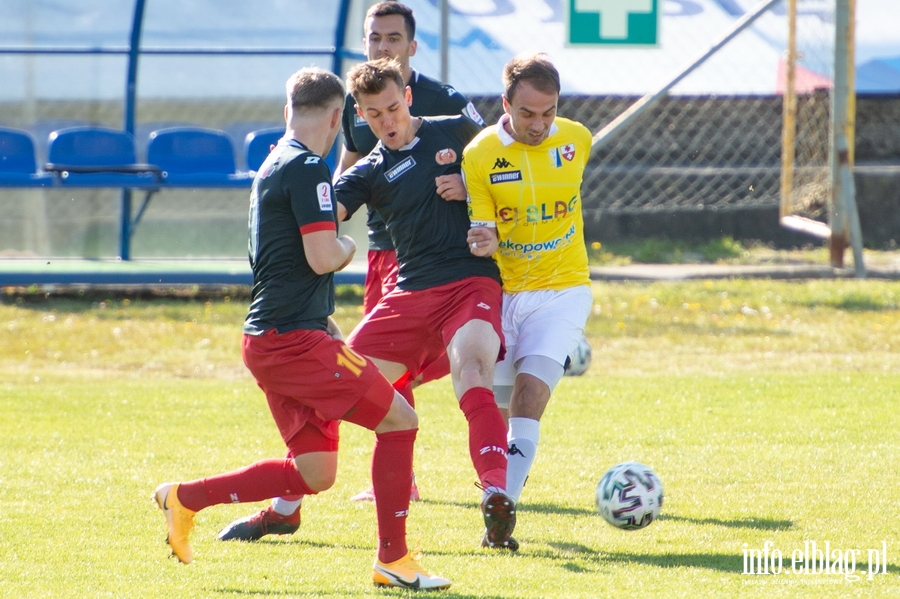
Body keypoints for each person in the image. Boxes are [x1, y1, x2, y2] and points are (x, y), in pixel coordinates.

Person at [152, 67, 451, 590]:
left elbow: (281, 261)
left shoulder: (273, 162)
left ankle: (184, 497)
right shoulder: (310, 167)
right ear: (340, 117)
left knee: (316, 473)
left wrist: (326, 321)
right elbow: (320, 257)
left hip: (272, 336)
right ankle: (394, 560)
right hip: (291, 341)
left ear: (289, 110)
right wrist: (350, 247)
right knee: (400, 420)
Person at [463, 53, 594, 542]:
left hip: (563, 290)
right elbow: (482, 227)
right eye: (528, 114)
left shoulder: (576, 139)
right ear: (506, 105)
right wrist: (486, 240)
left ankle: (503, 513)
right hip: (503, 294)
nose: (540, 125)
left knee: (528, 397)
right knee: (495, 415)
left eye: (549, 112)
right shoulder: (479, 156)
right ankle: (496, 489)